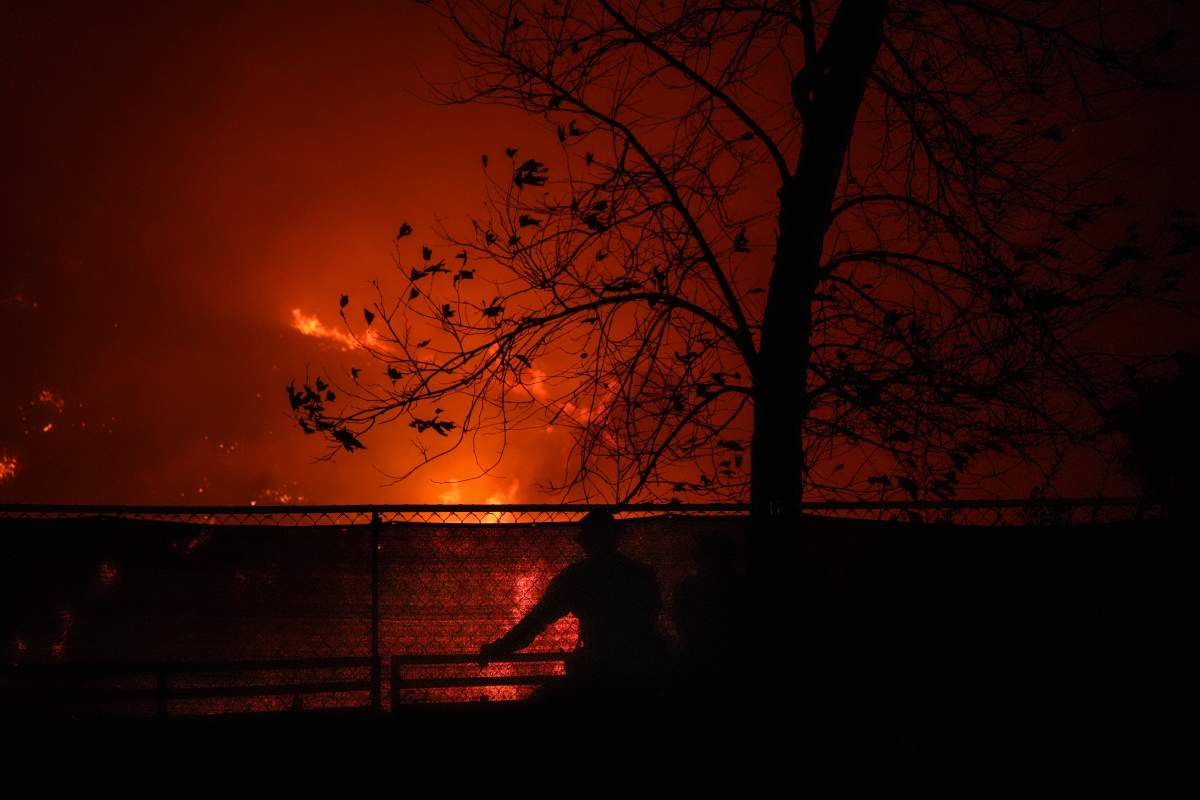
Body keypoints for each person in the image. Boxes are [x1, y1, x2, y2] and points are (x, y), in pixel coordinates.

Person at [478, 509, 667, 696]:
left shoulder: (578, 577)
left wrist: (499, 648)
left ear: (587, 543)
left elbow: (536, 620)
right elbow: (652, 616)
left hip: (600, 670)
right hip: (644, 666)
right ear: (616, 538)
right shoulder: (641, 574)